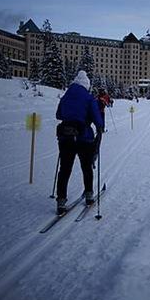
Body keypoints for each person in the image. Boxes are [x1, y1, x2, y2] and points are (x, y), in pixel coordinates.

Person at [55, 71, 104, 215]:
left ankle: (61, 201)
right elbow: (97, 118)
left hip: (65, 137)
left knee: (64, 170)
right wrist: (99, 127)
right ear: (86, 85)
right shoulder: (89, 98)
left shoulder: (66, 96)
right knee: (86, 167)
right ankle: (89, 196)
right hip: (84, 138)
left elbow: (59, 115)